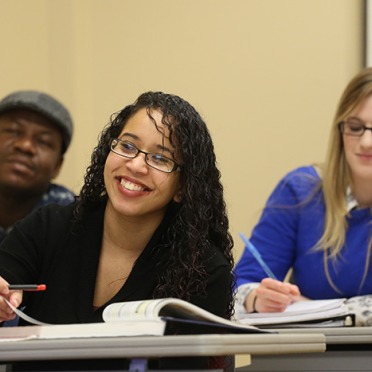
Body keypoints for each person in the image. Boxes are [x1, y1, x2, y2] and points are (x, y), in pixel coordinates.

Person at [0, 91, 235, 370]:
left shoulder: (203, 269)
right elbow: (6, 272)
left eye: (160, 159)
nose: (135, 165)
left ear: (183, 188)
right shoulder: (48, 226)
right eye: (127, 146)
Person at [235, 67, 372, 325]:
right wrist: (256, 297)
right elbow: (238, 288)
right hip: (308, 359)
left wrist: (325, 311)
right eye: (355, 127)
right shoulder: (300, 192)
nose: (366, 142)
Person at [0, 90, 75, 244]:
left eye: (43, 141)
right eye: (13, 132)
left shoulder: (74, 222)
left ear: (57, 166)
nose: (26, 146)